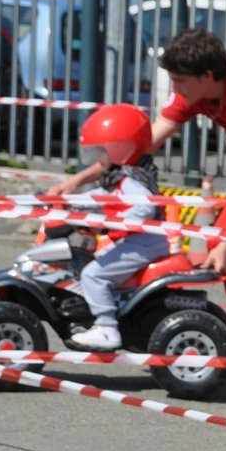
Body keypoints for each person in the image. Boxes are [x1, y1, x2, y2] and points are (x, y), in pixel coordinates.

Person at [49, 29, 226, 364]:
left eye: (179, 82)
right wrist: (78, 180)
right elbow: (141, 145)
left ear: (207, 76)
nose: (174, 90)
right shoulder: (197, 90)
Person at [67, 104, 171, 352]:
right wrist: (67, 202)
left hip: (144, 243)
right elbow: (101, 196)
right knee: (96, 262)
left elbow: (143, 208)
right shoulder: (122, 176)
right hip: (141, 240)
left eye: (99, 152)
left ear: (119, 148)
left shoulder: (134, 180)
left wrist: (106, 219)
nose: (96, 159)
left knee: (93, 275)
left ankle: (106, 329)